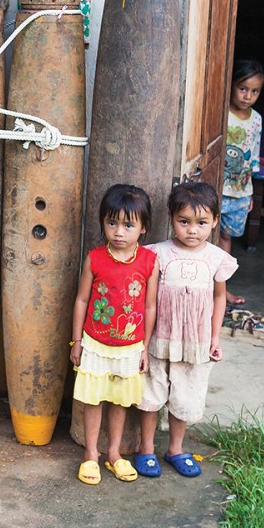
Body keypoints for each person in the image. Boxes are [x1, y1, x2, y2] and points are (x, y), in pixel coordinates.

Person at [134, 182, 237, 478]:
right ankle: (146, 448)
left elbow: (219, 297)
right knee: (151, 394)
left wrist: (215, 336)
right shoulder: (157, 254)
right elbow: (147, 299)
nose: (193, 230)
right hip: (159, 339)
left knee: (186, 395)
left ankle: (176, 449)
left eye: (202, 223)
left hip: (196, 342)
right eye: (184, 222)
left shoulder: (217, 258)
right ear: (171, 218)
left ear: (215, 221)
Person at [70, 184, 159, 485]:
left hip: (130, 347)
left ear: (143, 228)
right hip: (95, 344)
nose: (119, 231)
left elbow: (149, 307)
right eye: (112, 223)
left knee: (120, 401)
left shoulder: (149, 262)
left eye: (128, 225)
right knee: (93, 400)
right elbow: (82, 300)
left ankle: (114, 454)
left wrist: (145, 348)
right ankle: (91, 454)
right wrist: (78, 342)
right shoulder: (95, 258)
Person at [220, 59, 264, 304]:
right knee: (204, 238)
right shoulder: (221, 113)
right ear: (233, 85)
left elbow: (254, 156)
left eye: (254, 91)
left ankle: (220, 289)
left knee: (226, 238)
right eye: (243, 88)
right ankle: (205, 290)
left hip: (240, 192)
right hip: (216, 190)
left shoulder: (256, 120)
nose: (248, 96)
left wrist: (251, 192)